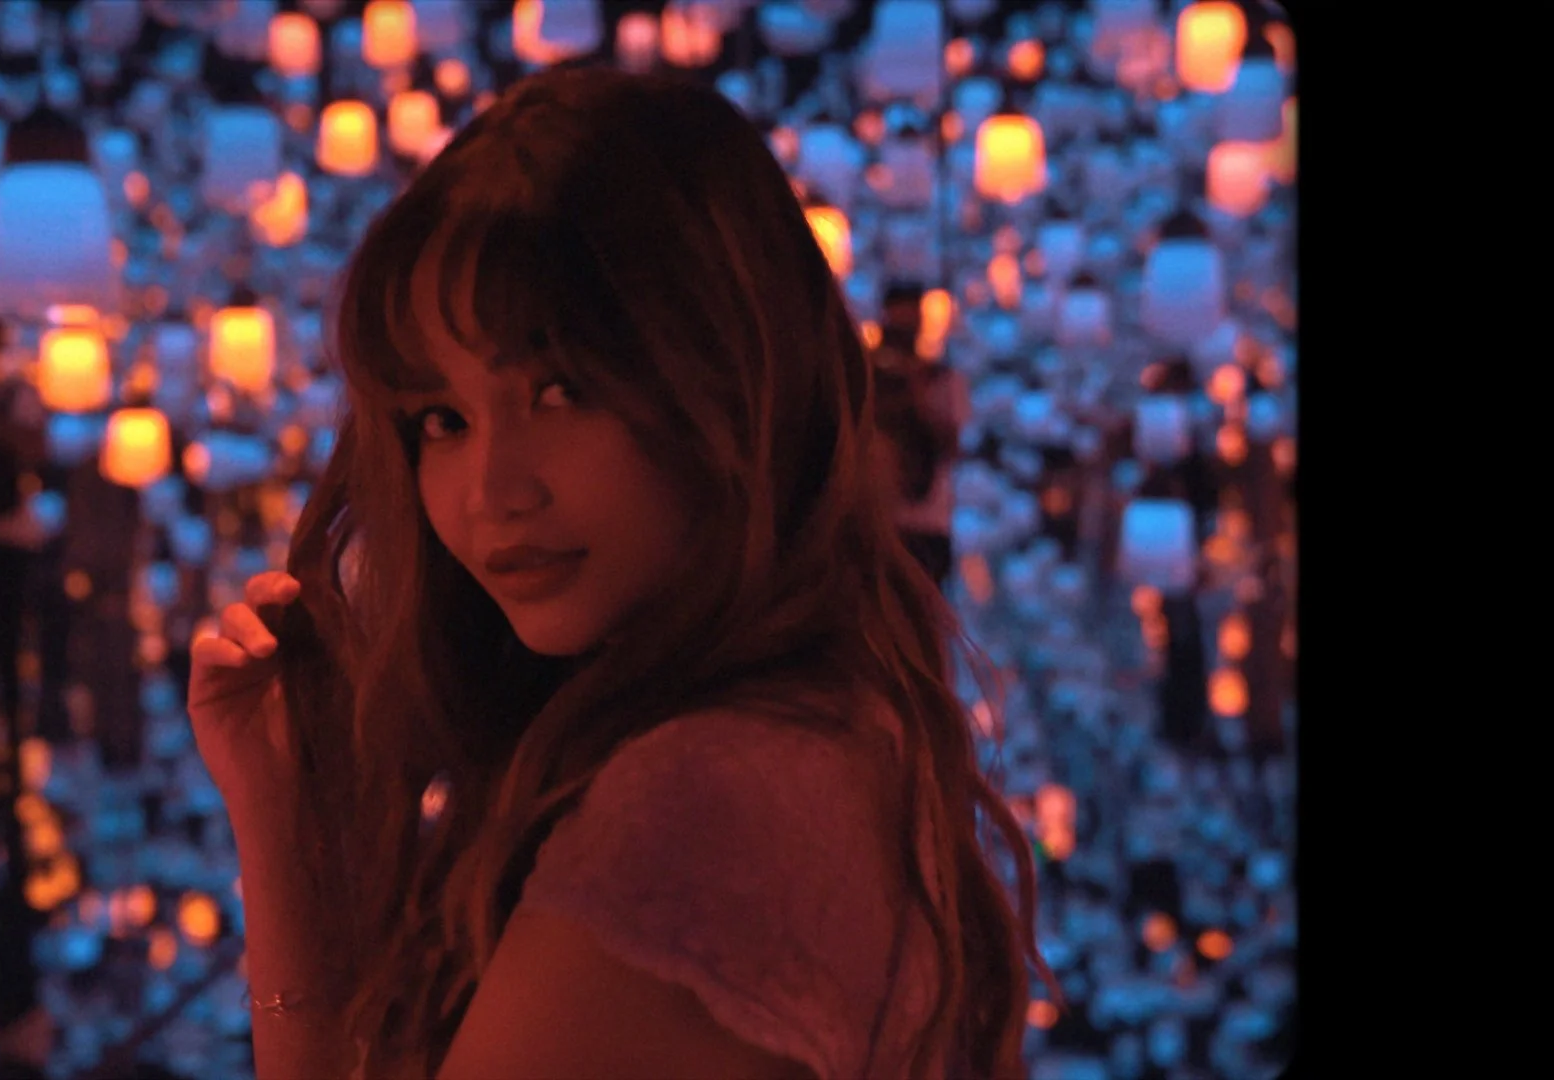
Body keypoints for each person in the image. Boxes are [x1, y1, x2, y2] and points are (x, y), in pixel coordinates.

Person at [187, 66, 1052, 1080]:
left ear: (726, 378)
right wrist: (282, 825)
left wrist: (290, 862)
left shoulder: (707, 799)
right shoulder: (811, 730)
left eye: (560, 391)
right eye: (443, 419)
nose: (492, 492)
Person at [870, 284, 973, 588]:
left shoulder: (943, 380)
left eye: (909, 326)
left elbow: (953, 447)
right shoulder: (864, 376)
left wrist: (918, 396)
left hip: (926, 521)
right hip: (876, 520)